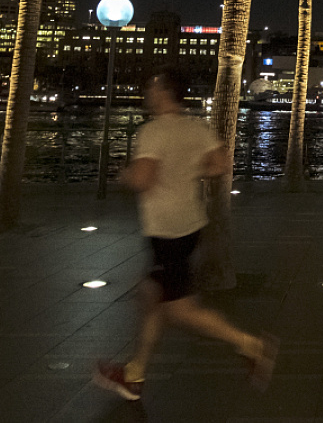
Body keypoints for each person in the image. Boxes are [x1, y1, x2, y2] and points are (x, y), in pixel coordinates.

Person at [95, 69, 277, 401]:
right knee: (152, 299)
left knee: (179, 309)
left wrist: (123, 175)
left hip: (167, 231)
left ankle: (252, 345)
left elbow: (144, 180)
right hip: (189, 226)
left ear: (165, 93)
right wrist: (190, 172)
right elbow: (221, 164)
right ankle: (134, 374)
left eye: (153, 87)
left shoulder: (153, 132)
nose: (149, 93)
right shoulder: (196, 127)